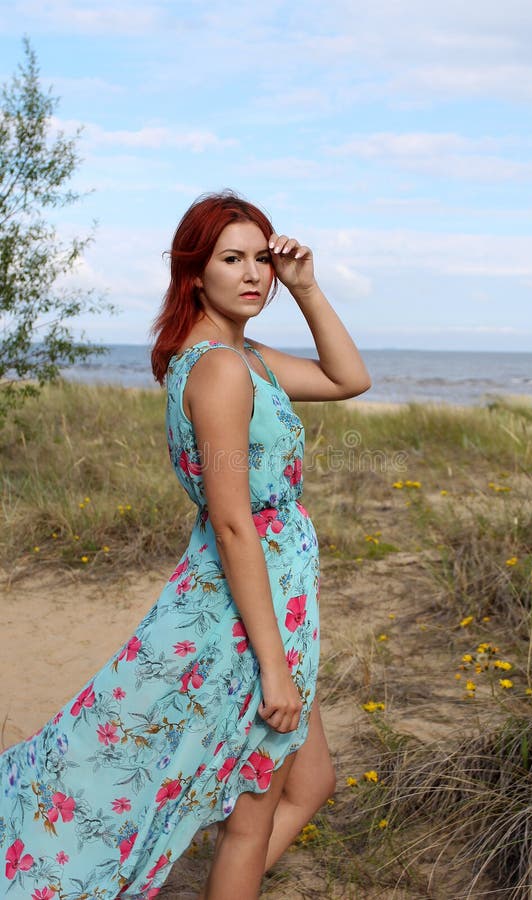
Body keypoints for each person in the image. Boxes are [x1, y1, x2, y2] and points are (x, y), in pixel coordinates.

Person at [0, 190, 371, 899]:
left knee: (311, 780)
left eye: (261, 259)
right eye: (231, 259)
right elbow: (232, 523)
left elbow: (348, 379)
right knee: (250, 817)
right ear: (194, 273)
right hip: (245, 613)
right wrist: (273, 668)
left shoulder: (246, 357)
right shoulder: (220, 369)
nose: (254, 274)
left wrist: (309, 289)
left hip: (277, 600)